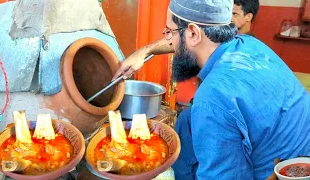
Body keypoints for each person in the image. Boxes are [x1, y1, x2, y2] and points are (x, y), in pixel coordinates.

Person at [112, 0, 310, 179]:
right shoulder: (249, 44)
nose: (169, 40)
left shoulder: (213, 97)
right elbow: (184, 38)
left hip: (284, 172)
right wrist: (145, 51)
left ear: (193, 33)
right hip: (297, 147)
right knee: (186, 120)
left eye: (169, 32)